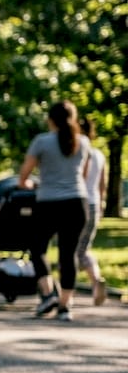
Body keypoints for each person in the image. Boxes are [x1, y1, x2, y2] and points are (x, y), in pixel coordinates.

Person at [19, 101, 91, 321]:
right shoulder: (84, 142)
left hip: (49, 203)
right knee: (68, 254)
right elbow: (84, 176)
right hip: (77, 203)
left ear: (50, 119)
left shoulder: (41, 142)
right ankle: (65, 306)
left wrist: (32, 184)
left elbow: (23, 177)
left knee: (37, 247)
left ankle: (48, 293)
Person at [75, 116, 108, 306]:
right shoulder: (99, 155)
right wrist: (102, 205)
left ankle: (67, 293)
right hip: (94, 203)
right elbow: (102, 184)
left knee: (72, 250)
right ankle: (96, 283)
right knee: (84, 248)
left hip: (78, 202)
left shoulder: (79, 152)